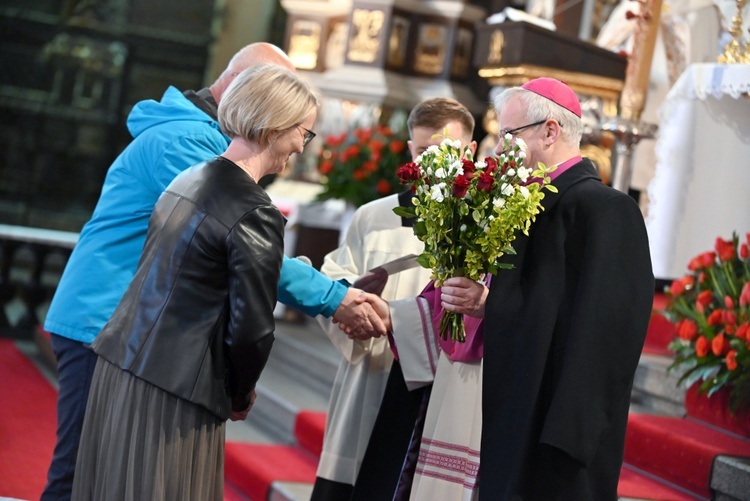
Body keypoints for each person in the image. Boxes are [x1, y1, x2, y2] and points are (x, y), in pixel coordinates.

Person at [41, 42, 382, 501]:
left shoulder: (200, 142)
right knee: (85, 475)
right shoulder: (191, 144)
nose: (301, 144)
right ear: (263, 104)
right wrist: (335, 297)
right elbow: (240, 249)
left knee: (100, 476)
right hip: (116, 322)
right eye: (301, 129)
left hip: (128, 327)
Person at [353, 77, 654, 500]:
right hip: (506, 416)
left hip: (553, 433)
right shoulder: (515, 203)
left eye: (508, 135)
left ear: (550, 131)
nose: (497, 148)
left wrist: (492, 306)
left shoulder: (605, 210)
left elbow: (605, 338)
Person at [69, 63, 318, 500]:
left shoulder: (189, 176)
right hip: (174, 390)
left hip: (122, 361)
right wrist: (240, 393)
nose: (301, 145)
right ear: (275, 125)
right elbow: (253, 330)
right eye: (303, 131)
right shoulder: (255, 210)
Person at [310, 98, 477, 501]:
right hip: (374, 371)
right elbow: (336, 279)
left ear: (470, 153)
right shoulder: (375, 217)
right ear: (409, 149)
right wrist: (352, 307)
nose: (432, 165)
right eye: (423, 152)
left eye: (446, 153)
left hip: (441, 387)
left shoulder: (483, 223)